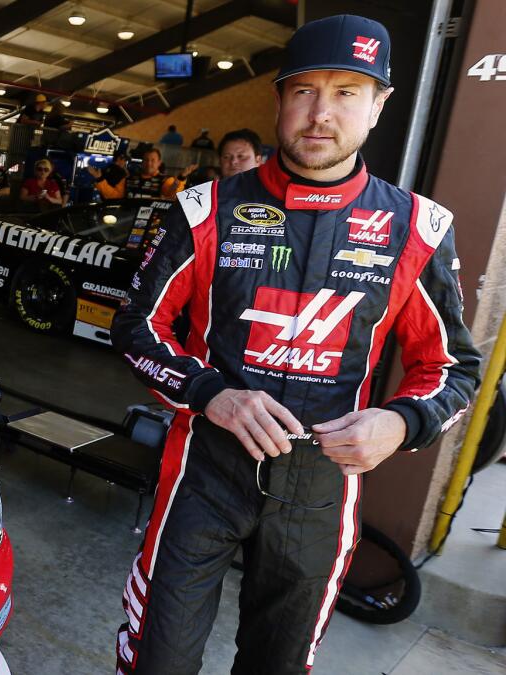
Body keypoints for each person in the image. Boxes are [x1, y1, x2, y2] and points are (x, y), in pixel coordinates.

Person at [112, 15, 481, 675]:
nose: (321, 112)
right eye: (305, 90)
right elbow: (136, 326)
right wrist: (211, 393)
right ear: (279, 99)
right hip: (205, 471)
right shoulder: (204, 208)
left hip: (322, 488)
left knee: (278, 666)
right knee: (155, 660)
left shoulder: (418, 228)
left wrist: (400, 421)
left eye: (347, 92)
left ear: (379, 106)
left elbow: (453, 370)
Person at [125, 147, 193, 199]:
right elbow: (117, 196)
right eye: (146, 160)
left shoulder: (165, 180)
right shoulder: (129, 178)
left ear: (159, 163)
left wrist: (181, 177)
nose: (149, 163)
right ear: (142, 162)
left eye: (153, 160)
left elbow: (171, 193)